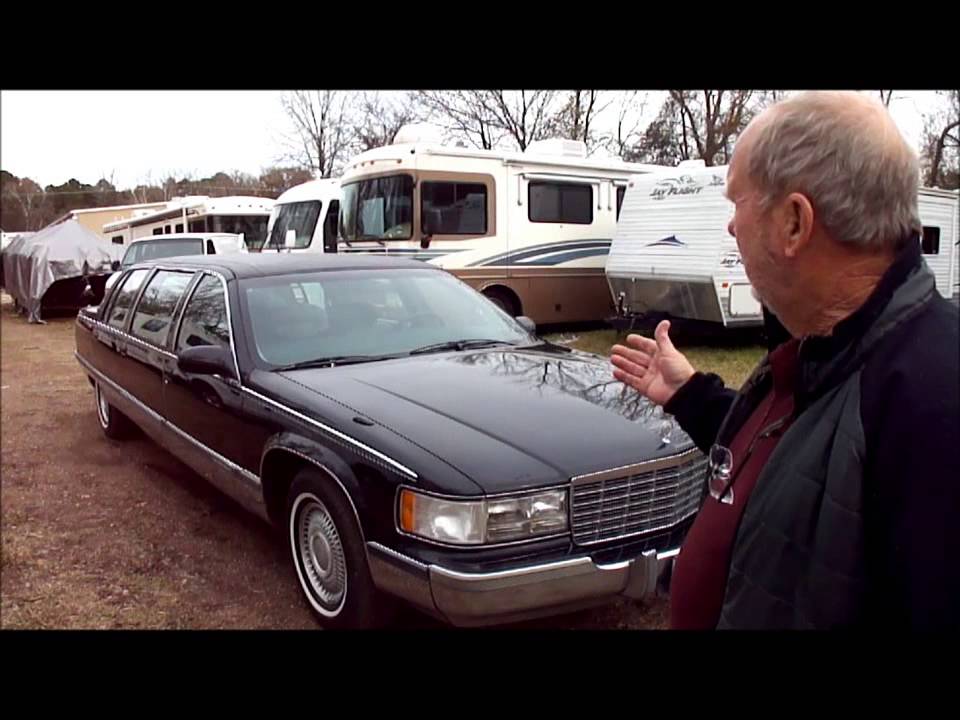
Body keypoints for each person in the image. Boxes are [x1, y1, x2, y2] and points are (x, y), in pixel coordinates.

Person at [610, 91, 960, 630]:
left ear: (795, 222)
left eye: (736, 203)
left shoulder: (933, 400)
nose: (730, 228)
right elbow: (806, 459)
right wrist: (693, 397)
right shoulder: (829, 350)